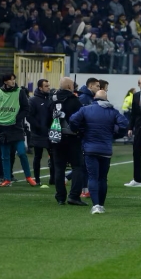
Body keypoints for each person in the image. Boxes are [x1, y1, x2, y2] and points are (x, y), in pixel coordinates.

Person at [70, 90, 128, 214]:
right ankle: (101, 204)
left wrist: (79, 132)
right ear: (106, 99)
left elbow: (73, 120)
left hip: (90, 148)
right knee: (102, 178)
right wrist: (115, 135)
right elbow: (124, 124)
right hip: (105, 149)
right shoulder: (112, 111)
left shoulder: (86, 109)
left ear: (95, 98)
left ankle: (95, 205)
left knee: (92, 177)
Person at [48, 77, 86, 206]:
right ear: (70, 87)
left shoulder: (52, 99)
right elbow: (81, 118)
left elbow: (47, 118)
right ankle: (74, 196)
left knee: (59, 168)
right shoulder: (74, 101)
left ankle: (60, 197)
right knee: (78, 166)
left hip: (56, 138)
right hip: (72, 138)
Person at [0, 73, 36, 187]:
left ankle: (28, 177)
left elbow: (26, 108)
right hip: (3, 127)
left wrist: (16, 118)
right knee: (5, 155)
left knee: (22, 153)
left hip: (16, 128)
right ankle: (7, 178)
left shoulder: (20, 92)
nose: (13, 81)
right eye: (10, 80)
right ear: (5, 82)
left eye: (14, 79)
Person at [27, 79, 54, 186]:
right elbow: (29, 116)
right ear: (40, 88)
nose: (48, 87)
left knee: (53, 156)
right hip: (38, 133)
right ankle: (37, 179)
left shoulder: (50, 99)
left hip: (50, 132)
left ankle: (53, 179)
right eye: (46, 86)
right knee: (37, 156)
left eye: (48, 85)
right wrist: (38, 127)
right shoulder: (33, 100)